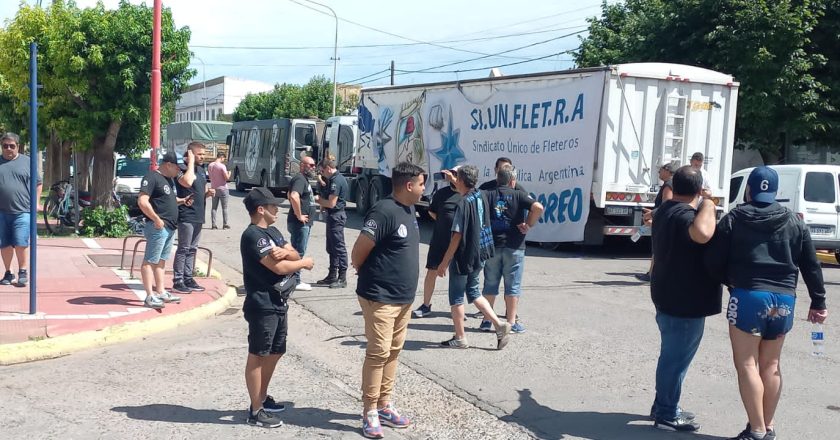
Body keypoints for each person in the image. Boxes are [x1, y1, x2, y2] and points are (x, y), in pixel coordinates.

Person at [705, 167, 828, 440]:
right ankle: (767, 425)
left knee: (747, 364)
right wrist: (818, 302)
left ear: (749, 190)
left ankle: (757, 430)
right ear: (776, 193)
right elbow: (811, 265)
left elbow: (712, 260)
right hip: (784, 299)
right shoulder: (794, 220)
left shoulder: (734, 217)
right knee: (771, 364)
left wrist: (730, 281)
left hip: (749, 296)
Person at [351, 162, 425, 439]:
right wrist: (364, 272)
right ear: (408, 185)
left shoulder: (409, 210)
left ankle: (384, 404)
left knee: (393, 351)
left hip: (403, 297)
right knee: (379, 352)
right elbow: (359, 251)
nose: (423, 188)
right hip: (380, 296)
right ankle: (369, 410)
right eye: (421, 183)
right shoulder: (384, 211)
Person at [649, 165, 720, 432]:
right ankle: (667, 412)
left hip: (668, 294)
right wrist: (709, 205)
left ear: (672, 186)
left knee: (671, 355)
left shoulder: (665, 210)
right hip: (684, 300)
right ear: (699, 190)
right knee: (675, 359)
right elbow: (703, 234)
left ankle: (664, 405)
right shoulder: (683, 215)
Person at [240, 187, 315, 428]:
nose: (277, 210)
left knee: (276, 350)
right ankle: (255, 410)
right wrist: (304, 263)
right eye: (273, 206)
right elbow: (280, 268)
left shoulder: (272, 231)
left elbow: (291, 251)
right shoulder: (253, 235)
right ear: (260, 209)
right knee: (258, 354)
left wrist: (287, 253)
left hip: (278, 302)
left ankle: (262, 396)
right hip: (262, 304)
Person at [437, 165, 512, 349]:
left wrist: (444, 262)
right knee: (474, 291)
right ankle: (499, 324)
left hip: (465, 254)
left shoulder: (462, 203)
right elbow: (465, 188)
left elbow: (457, 235)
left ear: (461, 180)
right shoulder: (480, 195)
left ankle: (460, 337)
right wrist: (456, 180)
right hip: (481, 251)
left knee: (456, 296)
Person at [480, 165, 544, 333]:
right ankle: (510, 322)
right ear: (512, 180)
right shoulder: (519, 195)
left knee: (490, 283)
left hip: (492, 245)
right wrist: (528, 224)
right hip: (515, 245)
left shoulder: (487, 194)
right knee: (513, 285)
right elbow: (538, 207)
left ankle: (487, 319)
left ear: (497, 178)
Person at [137, 151, 188, 309]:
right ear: (168, 164)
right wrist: (156, 219)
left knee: (161, 261)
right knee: (149, 261)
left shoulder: (168, 180)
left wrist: (181, 201)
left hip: (169, 227)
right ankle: (149, 296)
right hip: (159, 226)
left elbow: (166, 200)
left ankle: (160, 291)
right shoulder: (152, 177)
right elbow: (142, 201)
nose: (179, 172)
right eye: (178, 168)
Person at [412, 166, 463, 319]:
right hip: (440, 239)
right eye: (451, 173)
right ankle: (426, 305)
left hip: (459, 242)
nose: (452, 177)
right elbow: (431, 211)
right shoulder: (442, 193)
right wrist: (443, 222)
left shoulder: (467, 195)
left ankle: (458, 308)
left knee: (458, 275)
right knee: (432, 271)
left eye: (455, 174)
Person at [0, 132, 41, 287]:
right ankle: (8, 273)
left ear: (18, 146)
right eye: (5, 146)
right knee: (4, 243)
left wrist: (36, 203)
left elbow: (38, 184)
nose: (8, 149)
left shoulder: (27, 162)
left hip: (22, 211)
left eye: (12, 146)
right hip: (2, 211)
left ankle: (22, 271)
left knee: (20, 241)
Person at [172, 142, 213, 294]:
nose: (203, 157)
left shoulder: (201, 170)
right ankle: (178, 280)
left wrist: (208, 194)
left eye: (203, 154)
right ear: (190, 154)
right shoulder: (181, 169)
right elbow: (188, 182)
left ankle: (188, 277)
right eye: (199, 154)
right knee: (184, 248)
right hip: (186, 215)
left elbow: (200, 190)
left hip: (198, 214)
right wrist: (190, 163)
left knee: (193, 249)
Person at [636, 161, 677, 282]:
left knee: (658, 248)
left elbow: (666, 205)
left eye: (661, 170)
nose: (659, 172)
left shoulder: (669, 185)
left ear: (667, 171)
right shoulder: (670, 184)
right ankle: (652, 273)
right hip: (664, 219)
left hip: (663, 221)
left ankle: (652, 274)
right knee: (658, 249)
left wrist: (652, 215)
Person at [314, 156, 349, 288]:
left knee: (339, 247)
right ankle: (332, 275)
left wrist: (317, 200)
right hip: (332, 216)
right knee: (331, 247)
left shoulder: (336, 181)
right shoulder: (331, 180)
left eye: (322, 171)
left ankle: (342, 277)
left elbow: (331, 203)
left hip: (336, 215)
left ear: (328, 168)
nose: (322, 174)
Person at [287, 155, 317, 291]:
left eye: (314, 165)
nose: (313, 167)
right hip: (300, 224)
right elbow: (293, 196)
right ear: (302, 165)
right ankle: (296, 280)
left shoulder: (303, 180)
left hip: (303, 223)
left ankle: (292, 278)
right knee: (299, 252)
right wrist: (299, 215)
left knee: (297, 250)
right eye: (311, 165)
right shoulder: (299, 178)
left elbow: (289, 194)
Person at [207, 152, 231, 229]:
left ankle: (213, 225)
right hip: (223, 188)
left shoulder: (210, 165)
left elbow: (210, 177)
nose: (223, 160)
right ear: (221, 157)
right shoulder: (222, 166)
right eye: (223, 158)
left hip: (214, 188)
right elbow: (226, 178)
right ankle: (225, 224)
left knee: (214, 208)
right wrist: (229, 173)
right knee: (224, 208)